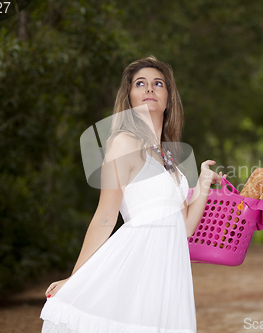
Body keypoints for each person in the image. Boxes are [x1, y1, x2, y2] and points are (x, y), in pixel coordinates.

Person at [39, 55, 227, 333]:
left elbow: (185, 227)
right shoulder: (123, 142)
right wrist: (75, 277)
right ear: (129, 98)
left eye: (158, 83)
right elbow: (105, 216)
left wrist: (202, 184)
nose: (149, 88)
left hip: (167, 273)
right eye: (141, 83)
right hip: (135, 265)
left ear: (168, 98)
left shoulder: (169, 158)